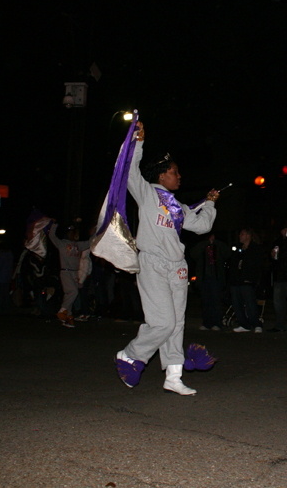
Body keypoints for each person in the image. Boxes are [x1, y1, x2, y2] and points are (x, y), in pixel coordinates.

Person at [115, 122, 219, 396]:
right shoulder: (147, 193)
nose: (179, 176)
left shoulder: (180, 208)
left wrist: (209, 203)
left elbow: (202, 226)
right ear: (161, 176)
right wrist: (137, 142)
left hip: (178, 268)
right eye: (174, 172)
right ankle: (130, 354)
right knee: (163, 322)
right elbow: (128, 173)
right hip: (152, 264)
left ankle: (174, 375)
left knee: (177, 323)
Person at [48, 223, 91, 327]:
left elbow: (90, 242)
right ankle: (62, 310)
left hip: (75, 272)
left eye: (73, 233)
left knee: (69, 295)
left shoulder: (78, 245)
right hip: (66, 271)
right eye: (70, 233)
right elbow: (52, 236)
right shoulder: (62, 244)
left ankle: (67, 318)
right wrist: (54, 225)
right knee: (73, 292)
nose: (72, 235)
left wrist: (97, 231)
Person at [190, 233, 231, 331]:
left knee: (216, 301)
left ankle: (217, 323)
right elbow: (193, 253)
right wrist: (206, 243)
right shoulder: (202, 246)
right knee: (205, 301)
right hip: (204, 278)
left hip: (216, 278)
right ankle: (207, 323)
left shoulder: (219, 246)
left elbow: (228, 253)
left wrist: (215, 242)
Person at [229, 228, 266, 333]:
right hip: (236, 280)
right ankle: (244, 324)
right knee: (237, 303)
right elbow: (233, 263)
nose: (240, 236)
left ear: (248, 236)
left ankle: (256, 324)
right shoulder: (238, 248)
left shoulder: (255, 249)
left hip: (247, 281)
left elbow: (257, 265)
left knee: (250, 303)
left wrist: (254, 279)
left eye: (242, 234)